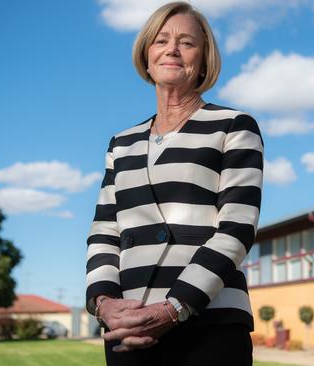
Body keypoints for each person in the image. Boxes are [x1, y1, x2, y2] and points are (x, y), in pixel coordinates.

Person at [85, 2, 263, 365]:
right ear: (146, 55)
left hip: (210, 324)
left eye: (187, 42)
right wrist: (104, 304)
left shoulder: (233, 126)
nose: (172, 49)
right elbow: (104, 232)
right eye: (161, 40)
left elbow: (236, 229)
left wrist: (174, 308)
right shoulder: (122, 143)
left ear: (204, 58)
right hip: (128, 329)